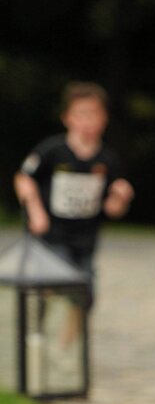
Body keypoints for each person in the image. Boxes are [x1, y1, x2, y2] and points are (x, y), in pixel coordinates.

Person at [14, 82, 134, 345]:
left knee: (86, 295)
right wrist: (35, 212)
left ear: (104, 119)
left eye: (94, 114)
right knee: (56, 281)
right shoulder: (52, 150)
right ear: (67, 118)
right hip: (52, 234)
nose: (87, 121)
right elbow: (24, 178)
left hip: (85, 240)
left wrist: (120, 197)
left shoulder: (108, 160)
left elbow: (112, 210)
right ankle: (36, 334)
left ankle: (68, 348)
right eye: (81, 114)